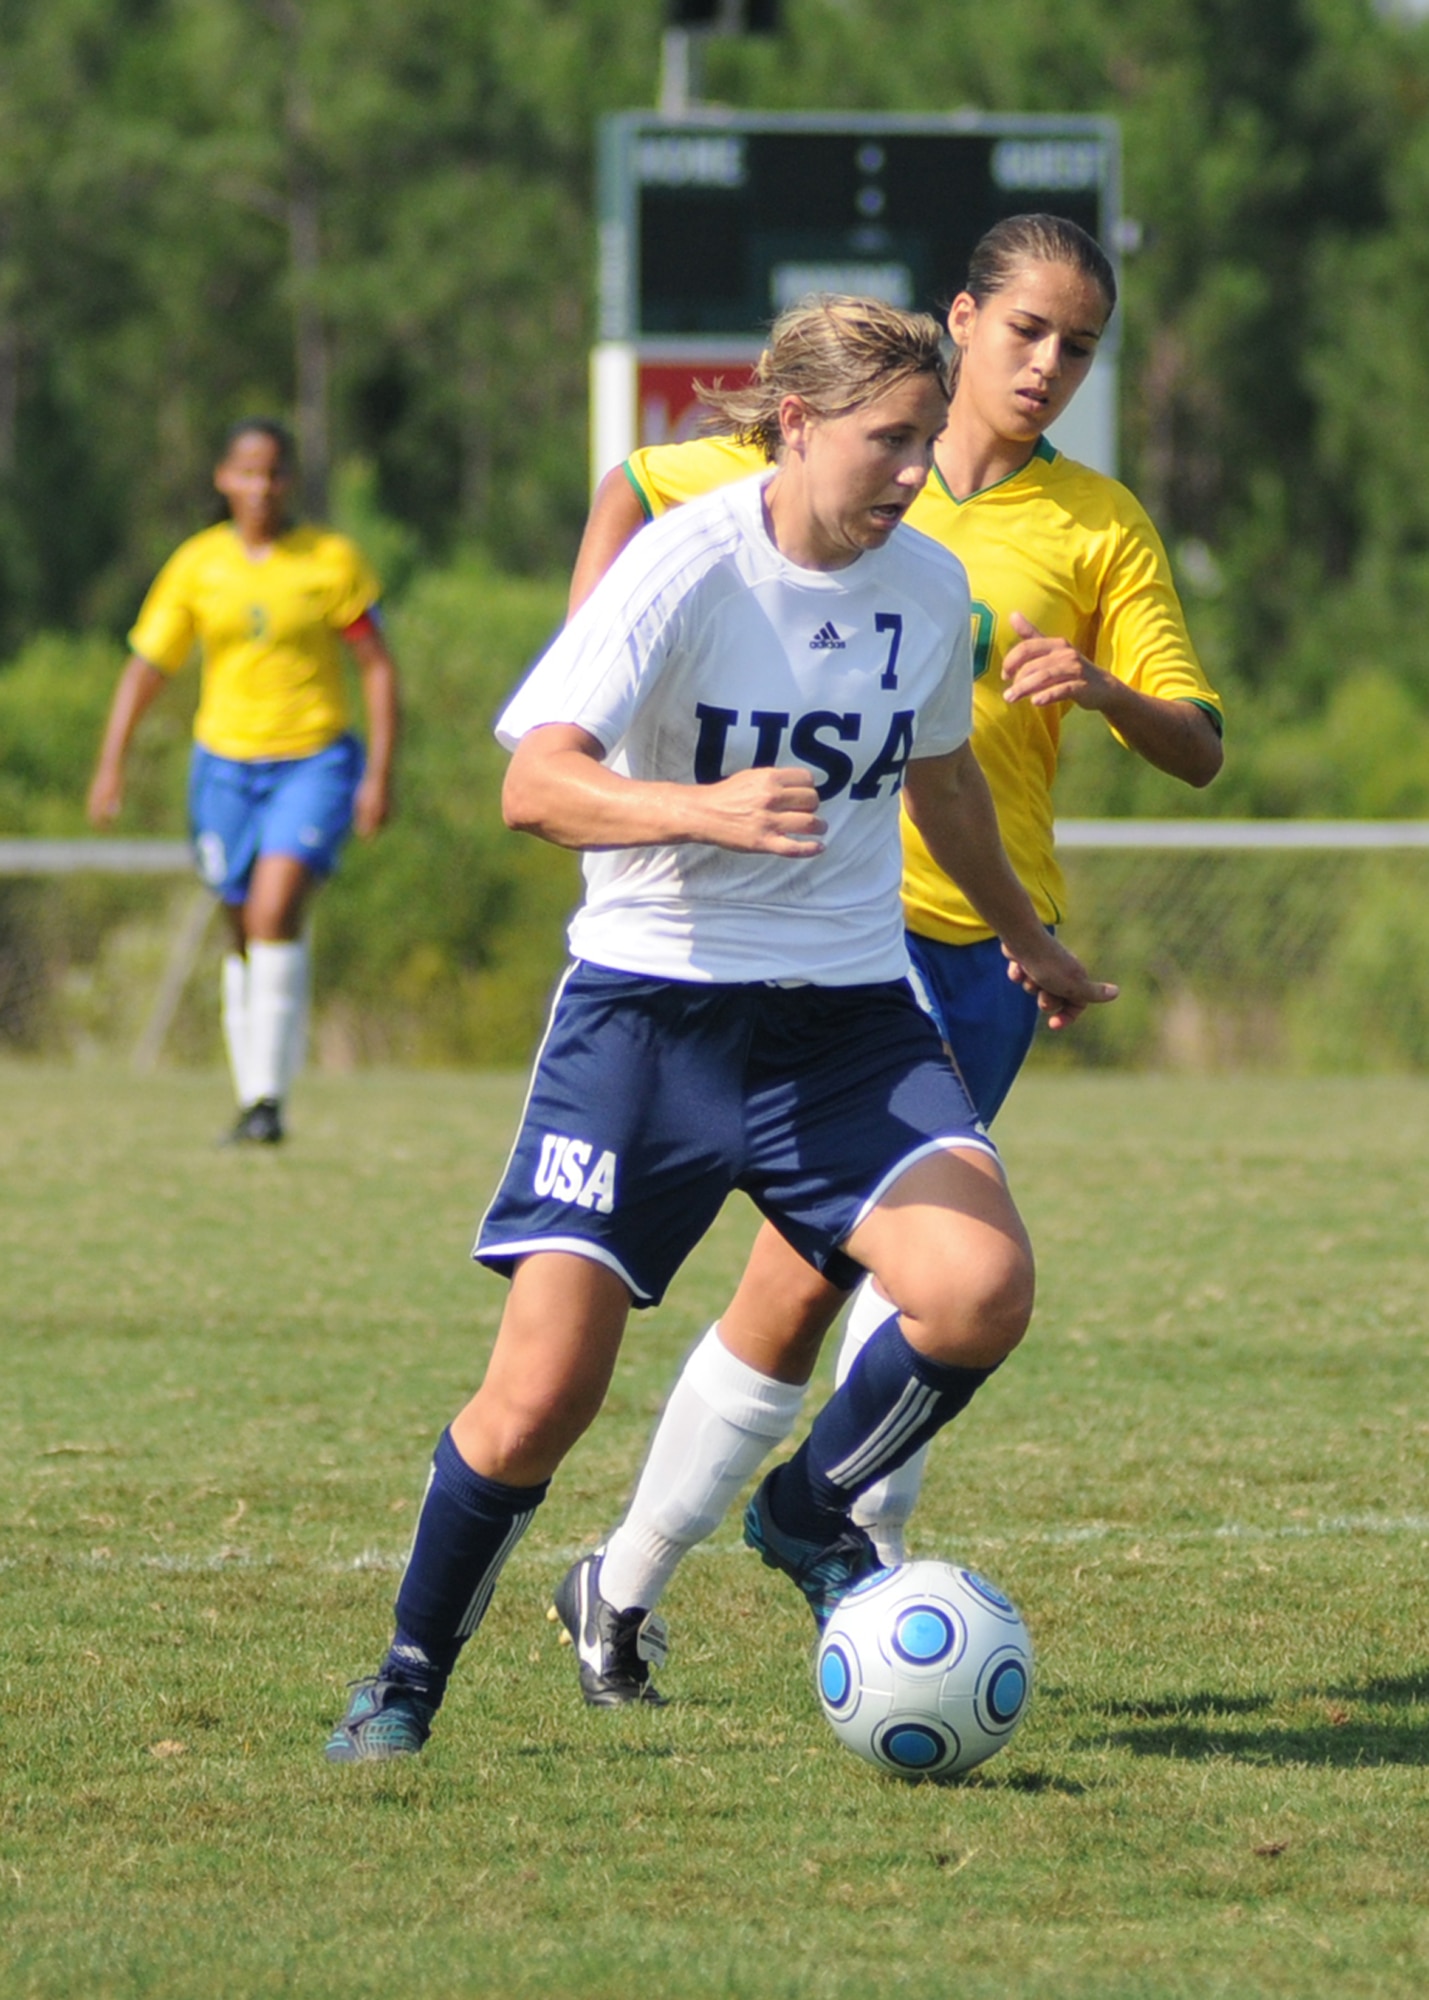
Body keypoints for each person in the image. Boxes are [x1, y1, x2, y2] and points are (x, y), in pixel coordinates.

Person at [323, 294, 1115, 1761]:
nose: (909, 472)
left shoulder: (930, 592)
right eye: (885, 441)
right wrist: (694, 809)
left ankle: (804, 1510)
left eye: (924, 443)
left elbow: (942, 784)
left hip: (847, 1026)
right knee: (535, 1402)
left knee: (978, 1285)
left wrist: (1022, 936)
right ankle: (406, 1681)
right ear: (794, 424)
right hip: (649, 1022)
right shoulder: (682, 569)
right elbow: (535, 786)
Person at [558, 214, 1224, 1708]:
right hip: (810, 940)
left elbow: (1200, 745)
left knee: (857, 1294)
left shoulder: (1095, 526)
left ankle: (681, 1573)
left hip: (977, 950)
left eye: (1080, 345)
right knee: (814, 1289)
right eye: (1028, 330)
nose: (1048, 363)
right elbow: (637, 481)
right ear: (963, 317)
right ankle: (753, 1565)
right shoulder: (838, 452)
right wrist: (587, 686)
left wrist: (1102, 687)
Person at [87, 419, 399, 1144]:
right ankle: (252, 1090)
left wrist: (378, 772)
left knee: (273, 909)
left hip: (314, 760)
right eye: (248, 473)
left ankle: (267, 1103)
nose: (262, 487)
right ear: (224, 479)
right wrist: (112, 762)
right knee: (240, 922)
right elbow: (147, 666)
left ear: (290, 482)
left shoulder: (329, 562)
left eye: (275, 474)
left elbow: (375, 665)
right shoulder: (197, 566)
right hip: (223, 767)